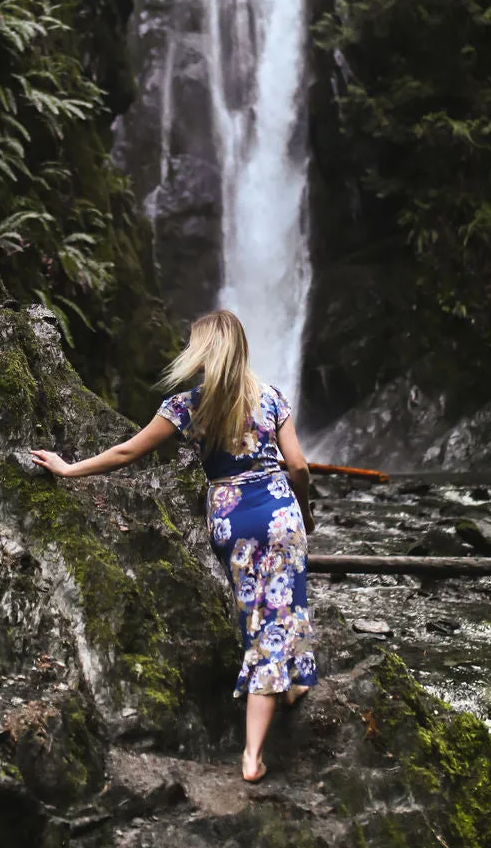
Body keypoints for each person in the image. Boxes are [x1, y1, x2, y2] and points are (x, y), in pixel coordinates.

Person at [30, 308, 317, 784]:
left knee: (260, 607)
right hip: (279, 512)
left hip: (230, 516)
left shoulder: (186, 407)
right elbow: (301, 469)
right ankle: (252, 754)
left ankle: (287, 689)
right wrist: (304, 511)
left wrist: (68, 468)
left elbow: (127, 452)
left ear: (202, 352)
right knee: (280, 604)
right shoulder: (272, 399)